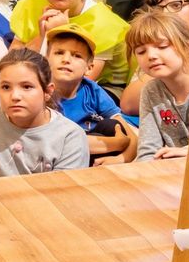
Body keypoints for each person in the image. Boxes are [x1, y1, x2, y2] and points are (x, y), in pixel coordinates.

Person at [0, 48, 89, 180]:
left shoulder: (70, 137)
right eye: (6, 87)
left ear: (47, 91)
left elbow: (63, 192)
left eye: (27, 87)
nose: (15, 96)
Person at [10, 0, 130, 88]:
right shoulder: (29, 5)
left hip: (104, 87)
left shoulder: (104, 23)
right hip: (42, 78)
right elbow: (12, 62)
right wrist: (42, 36)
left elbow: (76, 82)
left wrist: (59, 31)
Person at [44, 24, 132, 162]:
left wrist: (121, 159)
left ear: (89, 67)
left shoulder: (92, 90)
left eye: (76, 55)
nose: (66, 59)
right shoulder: (39, 91)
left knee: (112, 125)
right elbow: (53, 142)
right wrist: (118, 143)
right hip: (52, 157)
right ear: (46, 59)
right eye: (59, 52)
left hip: (91, 155)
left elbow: (129, 135)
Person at [129, 10, 189, 161]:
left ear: (188, 48)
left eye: (162, 46)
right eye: (141, 52)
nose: (151, 56)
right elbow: (147, 151)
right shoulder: (150, 91)